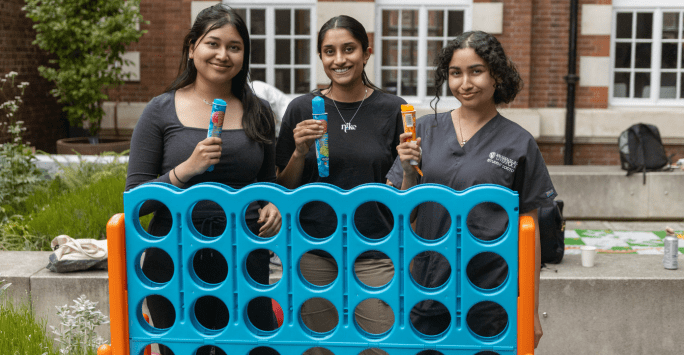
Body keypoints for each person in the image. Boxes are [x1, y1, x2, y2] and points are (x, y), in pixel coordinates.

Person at [125, 5, 280, 355]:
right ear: (192, 47)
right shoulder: (160, 110)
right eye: (213, 43)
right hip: (174, 253)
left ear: (244, 55)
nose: (223, 55)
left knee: (254, 348)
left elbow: (269, 183)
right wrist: (186, 169)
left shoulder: (258, 111)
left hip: (245, 253)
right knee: (182, 349)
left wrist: (272, 204)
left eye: (234, 47)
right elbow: (136, 200)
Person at [388, 31, 553, 350]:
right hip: (427, 289)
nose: (465, 82)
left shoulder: (519, 143)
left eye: (476, 71)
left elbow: (529, 233)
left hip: (489, 295)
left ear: (497, 75)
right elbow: (404, 216)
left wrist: (530, 309)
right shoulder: (423, 131)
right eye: (455, 73)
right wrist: (408, 174)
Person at [275, 15, 406, 355]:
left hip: (375, 250)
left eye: (349, 49)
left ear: (367, 52)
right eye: (329, 51)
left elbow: (407, 184)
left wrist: (411, 162)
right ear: (320, 57)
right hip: (313, 250)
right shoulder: (302, 108)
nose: (339, 59)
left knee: (379, 345)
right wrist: (300, 151)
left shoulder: (393, 109)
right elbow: (282, 188)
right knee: (318, 348)